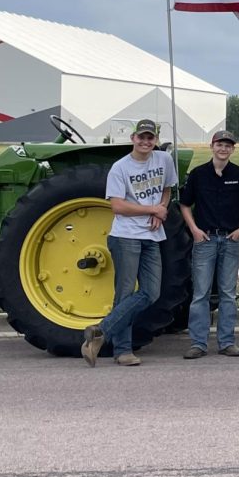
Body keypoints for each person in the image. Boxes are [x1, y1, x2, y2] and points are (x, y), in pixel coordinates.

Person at [81, 119, 179, 367]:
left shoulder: (163, 160)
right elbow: (117, 206)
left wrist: (161, 210)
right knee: (124, 293)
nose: (146, 142)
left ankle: (99, 331)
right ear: (133, 138)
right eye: (141, 137)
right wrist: (152, 210)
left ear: (155, 139)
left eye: (150, 137)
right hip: (125, 236)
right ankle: (122, 351)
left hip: (151, 236)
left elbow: (167, 189)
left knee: (151, 292)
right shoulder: (120, 168)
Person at [180, 130, 239, 360]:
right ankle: (198, 343)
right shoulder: (198, 174)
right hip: (206, 240)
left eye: (228, 145)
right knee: (200, 293)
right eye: (220, 144)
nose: (223, 149)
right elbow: (185, 204)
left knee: (228, 294)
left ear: (232, 149)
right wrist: (194, 230)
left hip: (230, 239)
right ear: (212, 146)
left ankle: (227, 342)